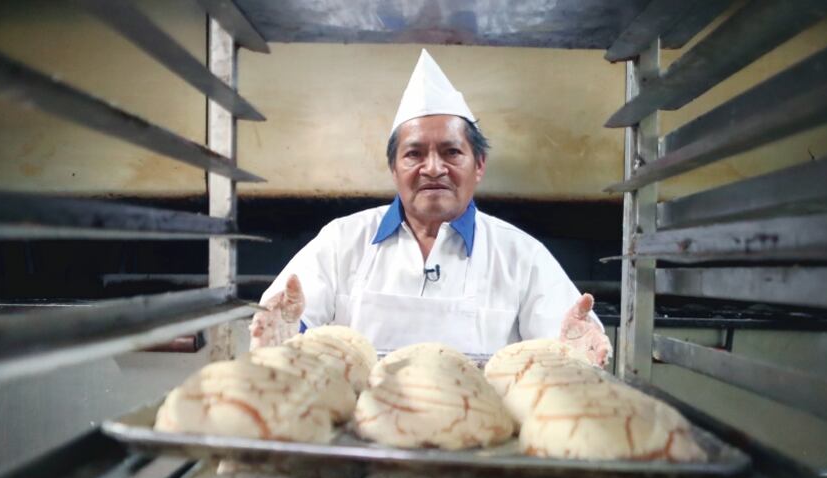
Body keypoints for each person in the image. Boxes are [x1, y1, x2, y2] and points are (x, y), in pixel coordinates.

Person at [249, 50, 612, 366]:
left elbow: (567, 350)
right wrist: (281, 333)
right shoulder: (342, 239)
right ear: (394, 168)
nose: (434, 168)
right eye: (414, 153)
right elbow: (287, 325)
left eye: (452, 152)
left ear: (479, 165)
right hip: (363, 436)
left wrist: (575, 354)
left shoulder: (522, 255)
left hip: (480, 433)